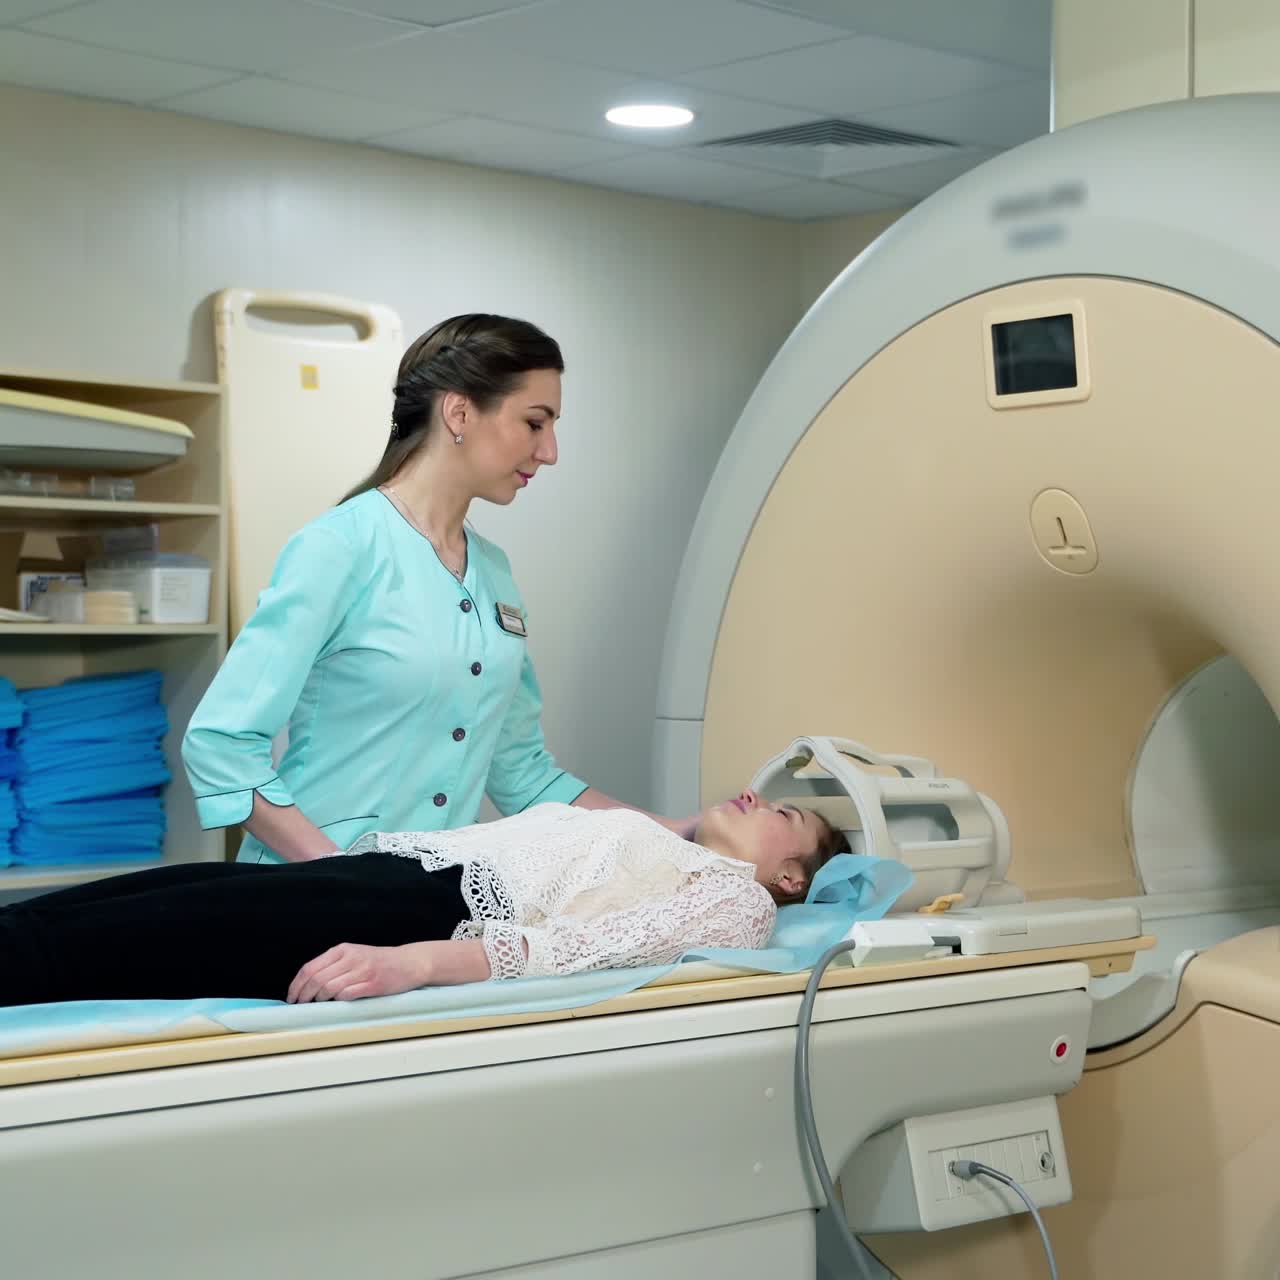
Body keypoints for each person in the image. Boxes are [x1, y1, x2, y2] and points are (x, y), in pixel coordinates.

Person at [182, 313, 695, 865]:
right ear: (459, 412)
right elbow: (221, 744)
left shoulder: (493, 572)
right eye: (535, 423)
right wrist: (333, 876)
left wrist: (678, 832)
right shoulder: (340, 547)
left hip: (419, 906)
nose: (550, 452)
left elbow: (522, 775)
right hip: (304, 899)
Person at [0, 790, 848, 1008]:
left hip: (403, 917)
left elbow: (582, 950)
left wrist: (415, 963)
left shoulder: (740, 904)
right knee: (89, 909)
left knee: (82, 948)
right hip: (376, 877)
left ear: (791, 877)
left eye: (785, 815)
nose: (755, 795)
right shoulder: (659, 839)